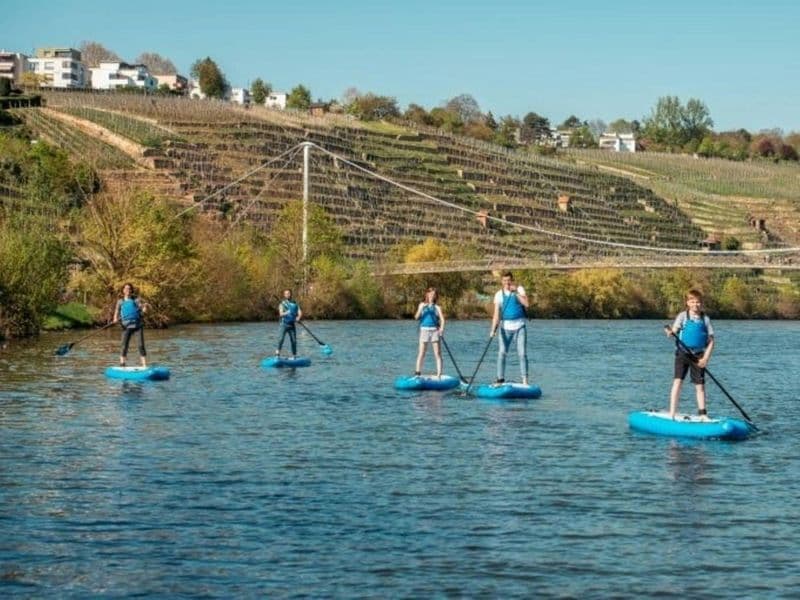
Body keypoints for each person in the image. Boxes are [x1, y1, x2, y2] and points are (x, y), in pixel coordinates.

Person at [666, 289, 715, 421]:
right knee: (678, 382)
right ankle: (672, 413)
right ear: (687, 303)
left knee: (700, 386)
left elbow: (711, 341)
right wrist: (670, 332)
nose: (695, 304)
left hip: (698, 356)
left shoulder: (705, 319)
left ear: (701, 303)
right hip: (682, 353)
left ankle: (703, 414)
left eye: (698, 302)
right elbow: (674, 330)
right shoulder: (682, 316)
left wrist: (705, 358)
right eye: (692, 301)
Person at [490, 271, 529, 385]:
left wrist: (516, 291)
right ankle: (500, 379)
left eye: (509, 280)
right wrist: (492, 330)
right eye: (505, 281)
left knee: (522, 354)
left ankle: (525, 381)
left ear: (512, 280)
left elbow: (526, 304)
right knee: (502, 353)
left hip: (520, 327)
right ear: (502, 282)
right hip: (505, 328)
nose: (507, 283)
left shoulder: (519, 289)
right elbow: (496, 315)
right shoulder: (498, 294)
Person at [112, 283, 148, 367]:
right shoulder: (120, 301)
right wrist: (115, 318)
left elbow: (142, 310)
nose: (128, 290)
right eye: (126, 289)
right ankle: (122, 364)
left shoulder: (136, 300)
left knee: (140, 345)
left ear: (131, 290)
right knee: (124, 345)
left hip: (137, 326)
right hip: (126, 326)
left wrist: (144, 308)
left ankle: (144, 365)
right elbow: (117, 311)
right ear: (123, 290)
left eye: (129, 289)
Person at [413, 287, 445, 377]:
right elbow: (416, 317)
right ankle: (417, 373)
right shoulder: (421, 305)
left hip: (434, 331)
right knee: (421, 353)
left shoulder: (437, 307)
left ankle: (439, 374)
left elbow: (442, 320)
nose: (432, 296)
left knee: (437, 353)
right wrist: (421, 309)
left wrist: (441, 329)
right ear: (427, 294)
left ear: (435, 296)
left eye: (434, 295)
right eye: (430, 294)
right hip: (424, 330)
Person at [275, 289, 302, 358]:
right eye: (286, 294)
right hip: (284, 324)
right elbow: (281, 314)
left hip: (292, 325)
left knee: (294, 341)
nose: (287, 295)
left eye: (288, 293)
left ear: (291, 294)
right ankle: (277, 353)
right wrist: (288, 312)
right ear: (284, 295)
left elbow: (299, 312)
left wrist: (298, 317)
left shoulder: (295, 303)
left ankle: (294, 355)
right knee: (281, 339)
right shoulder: (282, 304)